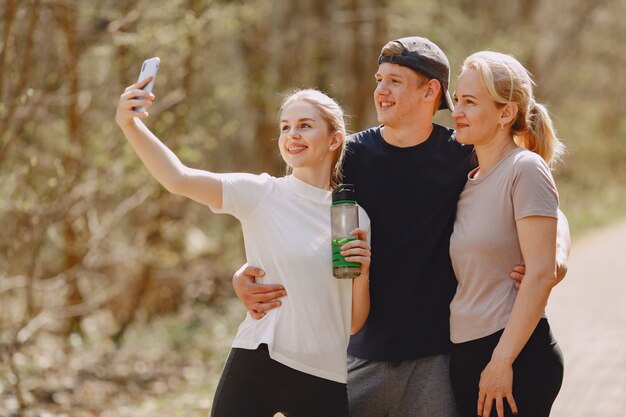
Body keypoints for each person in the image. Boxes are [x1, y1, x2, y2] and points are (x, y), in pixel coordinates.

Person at [232, 37, 571, 417]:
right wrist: (247, 271)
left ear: (430, 91)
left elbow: (542, 204)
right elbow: (289, 206)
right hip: (357, 356)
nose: (380, 90)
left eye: (394, 80)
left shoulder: (463, 151)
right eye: (379, 79)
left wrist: (555, 253)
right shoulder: (349, 157)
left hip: (438, 363)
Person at [115, 85, 372, 417]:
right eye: (285, 127)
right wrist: (130, 125)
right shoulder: (261, 193)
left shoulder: (353, 215)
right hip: (259, 360)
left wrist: (363, 273)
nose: (292, 134)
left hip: (325, 377)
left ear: (334, 139)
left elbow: (351, 323)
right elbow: (178, 178)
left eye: (304, 125)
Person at [448, 51, 565, 417]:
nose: (457, 111)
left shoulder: (524, 168)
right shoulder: (467, 176)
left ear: (505, 113)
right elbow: (554, 218)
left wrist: (502, 361)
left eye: (470, 101)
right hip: (467, 353)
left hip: (512, 356)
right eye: (456, 100)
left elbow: (541, 271)